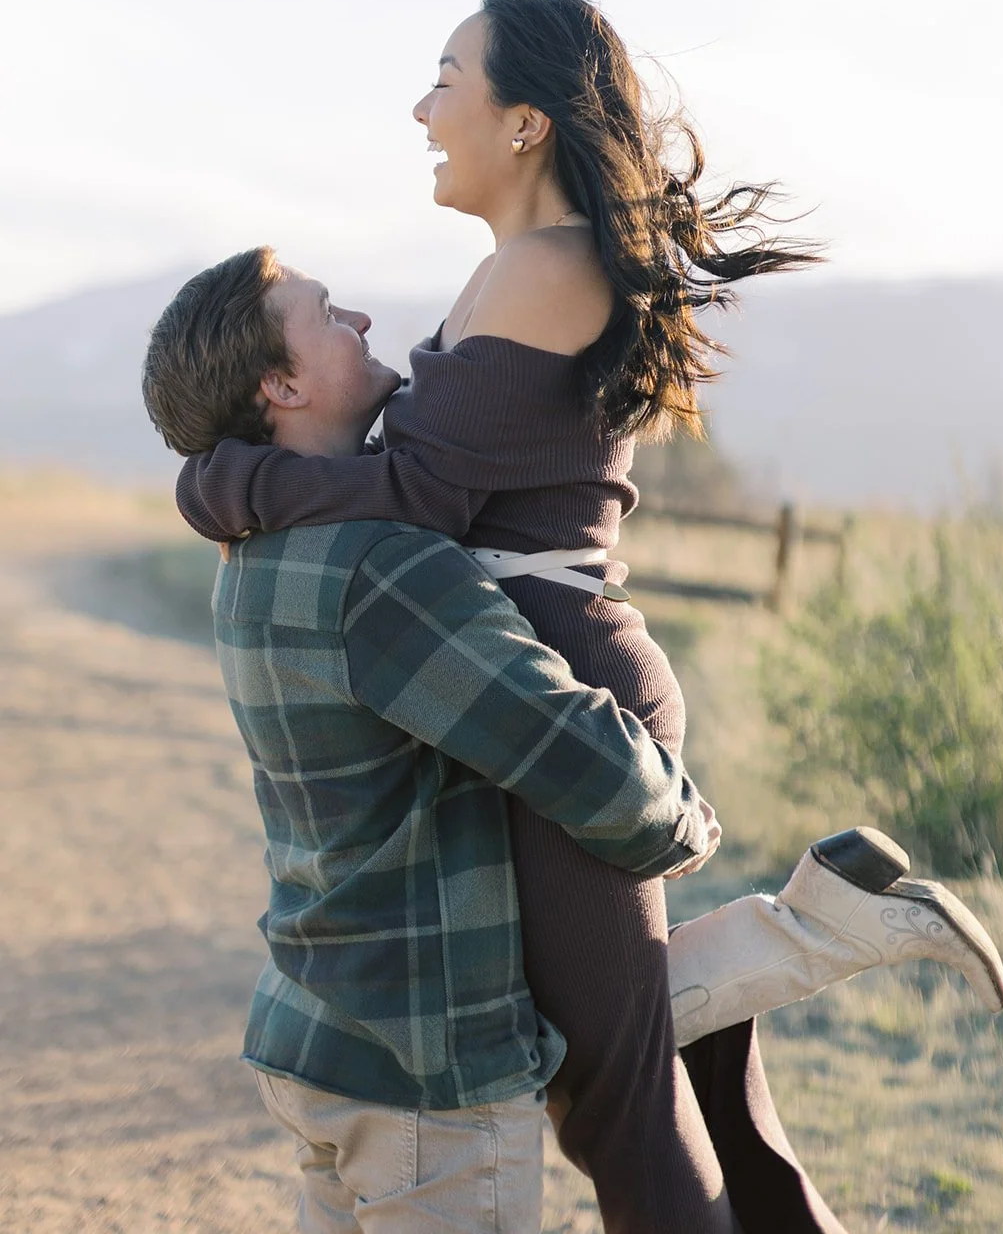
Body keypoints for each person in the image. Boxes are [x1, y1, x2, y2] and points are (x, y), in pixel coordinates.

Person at [174, 0, 1003, 1233]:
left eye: (447, 79)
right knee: (654, 1058)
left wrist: (222, 474)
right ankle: (829, 925)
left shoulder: (546, 272)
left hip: (555, 686)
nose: (421, 106)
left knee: (613, 1093)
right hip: (522, 667)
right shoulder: (511, 270)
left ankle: (829, 922)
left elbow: (413, 501)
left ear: (522, 121)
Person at [142, 246, 722, 1234]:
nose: (362, 320)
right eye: (326, 315)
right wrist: (686, 824)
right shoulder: (379, 567)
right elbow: (559, 742)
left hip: (316, 1037)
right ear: (280, 384)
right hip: (422, 1074)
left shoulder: (251, 551)